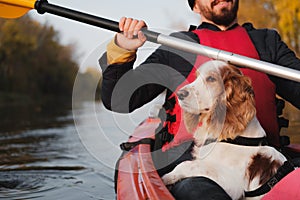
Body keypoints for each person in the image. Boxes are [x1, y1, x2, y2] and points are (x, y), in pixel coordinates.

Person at [99, 0, 300, 199]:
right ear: (195, 6)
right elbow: (119, 98)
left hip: (260, 163)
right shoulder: (179, 46)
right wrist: (122, 48)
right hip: (197, 164)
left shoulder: (266, 42)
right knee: (198, 192)